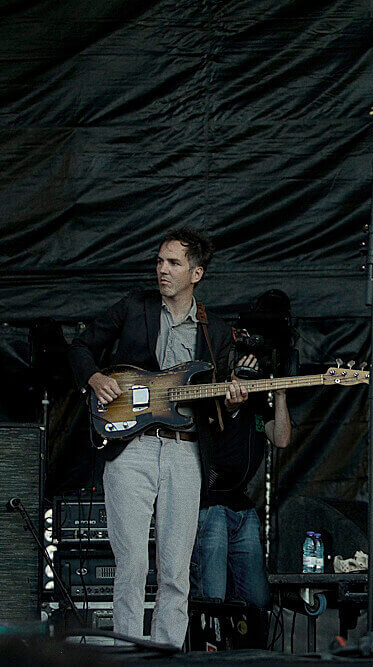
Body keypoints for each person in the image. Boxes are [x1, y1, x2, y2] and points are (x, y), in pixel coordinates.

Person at [68, 228, 248, 647]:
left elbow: (219, 403)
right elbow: (79, 347)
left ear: (196, 273)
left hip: (185, 452)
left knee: (176, 569)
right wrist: (95, 379)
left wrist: (235, 402)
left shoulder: (214, 331)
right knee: (130, 565)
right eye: (160, 261)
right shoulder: (135, 306)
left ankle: (168, 653)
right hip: (131, 447)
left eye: (173, 263)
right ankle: (127, 653)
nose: (162, 270)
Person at [189, 353, 290, 645]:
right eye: (239, 374)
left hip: (242, 509)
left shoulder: (259, 403)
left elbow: (282, 438)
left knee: (256, 600)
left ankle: (249, 656)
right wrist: (230, 404)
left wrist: (280, 393)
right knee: (212, 597)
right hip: (211, 506)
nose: (244, 381)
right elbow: (210, 431)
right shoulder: (212, 397)